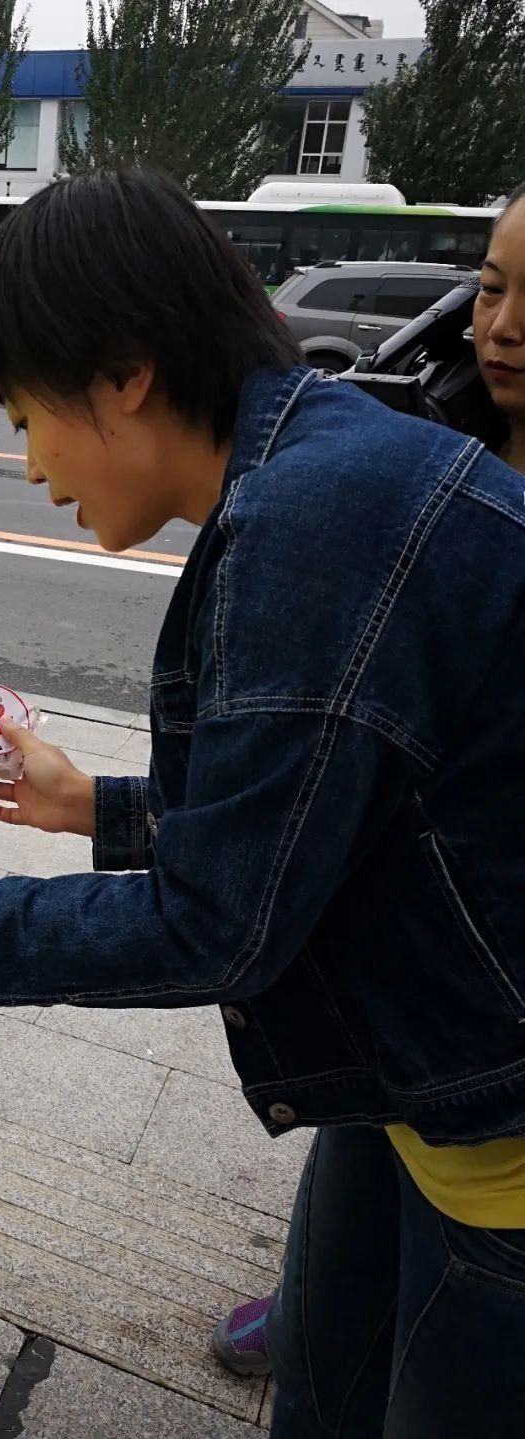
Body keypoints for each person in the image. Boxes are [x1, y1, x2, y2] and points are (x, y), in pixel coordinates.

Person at [0, 170, 525, 1437]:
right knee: (320, 1377)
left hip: (494, 1121)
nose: (27, 463)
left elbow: (218, 925)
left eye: (26, 413)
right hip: (407, 1072)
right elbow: (323, 813)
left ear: (127, 372)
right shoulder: (317, 467)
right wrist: (99, 803)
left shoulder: (315, 528)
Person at [212, 180, 525, 1382]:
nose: (502, 326)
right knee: (345, 1265)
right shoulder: (424, 425)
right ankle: (323, 1305)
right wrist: (115, 808)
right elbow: (338, 769)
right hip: (394, 1013)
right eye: (492, 285)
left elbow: (215, 910)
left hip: (494, 1078)